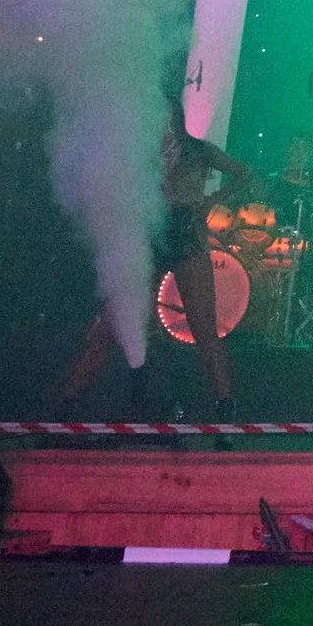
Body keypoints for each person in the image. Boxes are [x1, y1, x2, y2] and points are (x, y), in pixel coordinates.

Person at [55, 94, 256, 423]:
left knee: (203, 327)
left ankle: (225, 407)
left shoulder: (198, 150)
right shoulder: (144, 152)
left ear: (173, 117)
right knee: (120, 320)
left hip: (186, 236)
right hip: (151, 235)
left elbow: (244, 173)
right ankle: (72, 399)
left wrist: (214, 199)